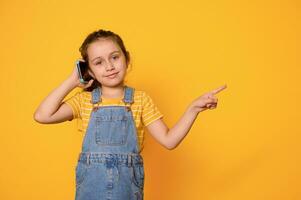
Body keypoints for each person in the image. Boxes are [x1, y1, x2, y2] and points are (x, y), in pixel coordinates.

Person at [33, 29, 227, 200]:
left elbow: (170, 141)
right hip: (91, 188)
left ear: (126, 58)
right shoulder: (84, 101)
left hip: (126, 188)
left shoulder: (141, 100)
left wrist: (193, 108)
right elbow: (42, 115)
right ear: (89, 70)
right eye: (98, 63)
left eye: (115, 57)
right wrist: (72, 81)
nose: (109, 66)